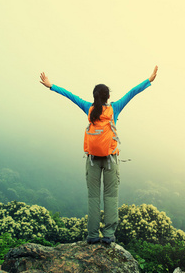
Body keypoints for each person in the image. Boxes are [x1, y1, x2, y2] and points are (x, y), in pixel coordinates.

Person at [39, 66, 158, 244]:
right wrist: (149, 80)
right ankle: (109, 235)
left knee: (93, 197)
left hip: (93, 160)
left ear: (94, 96)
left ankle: (93, 235)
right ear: (108, 96)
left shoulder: (88, 108)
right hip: (111, 159)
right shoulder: (114, 108)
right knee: (111, 197)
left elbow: (70, 95)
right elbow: (132, 93)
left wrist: (51, 86)